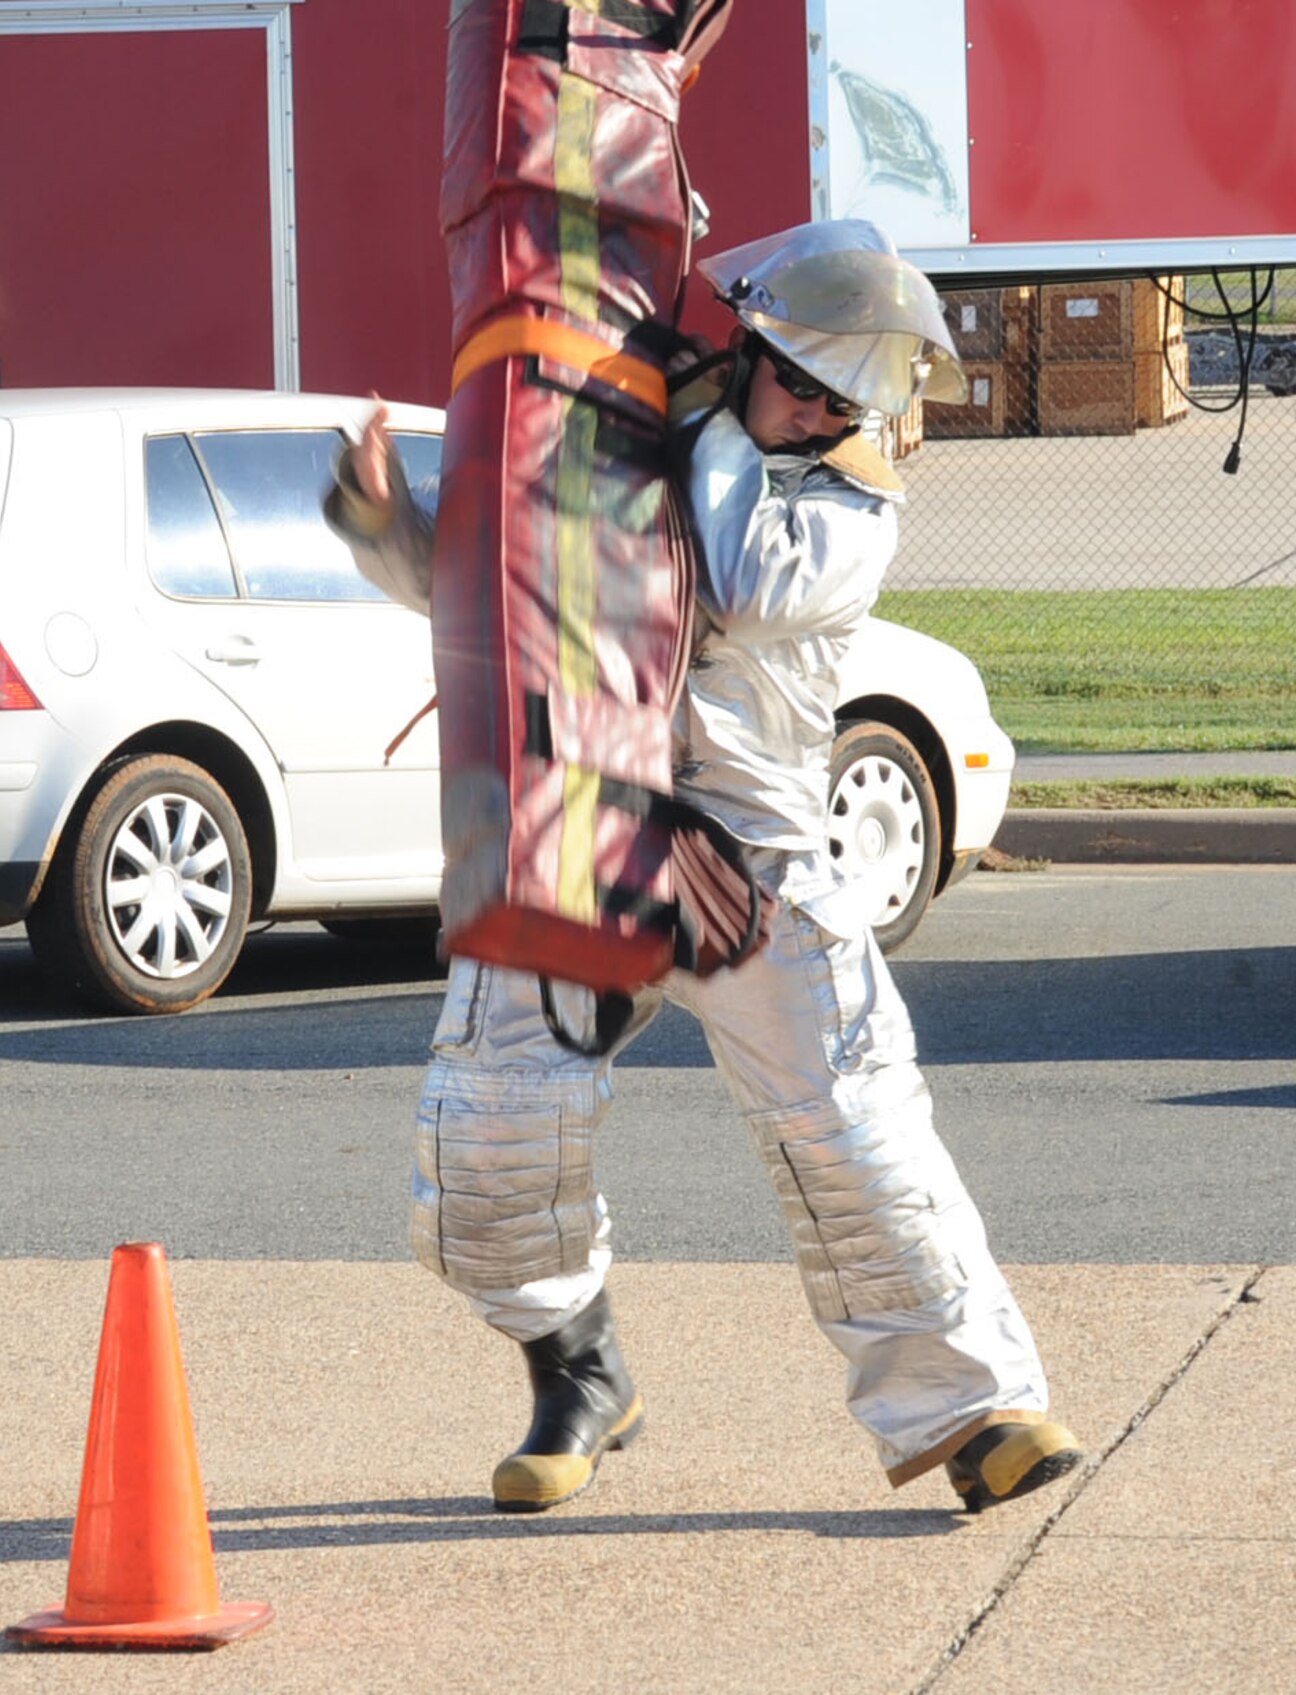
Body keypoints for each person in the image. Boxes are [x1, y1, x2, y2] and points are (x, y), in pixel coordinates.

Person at [326, 219, 1082, 1517]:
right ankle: (579, 1372)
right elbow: (481, 583)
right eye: (797, 382)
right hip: (575, 828)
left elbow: (727, 571)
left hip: (759, 859)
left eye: (845, 398)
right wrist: (386, 522)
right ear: (749, 350)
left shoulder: (848, 507)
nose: (818, 415)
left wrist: (695, 417)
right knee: (489, 1150)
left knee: (859, 1132)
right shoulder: (631, 431)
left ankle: (977, 1412)